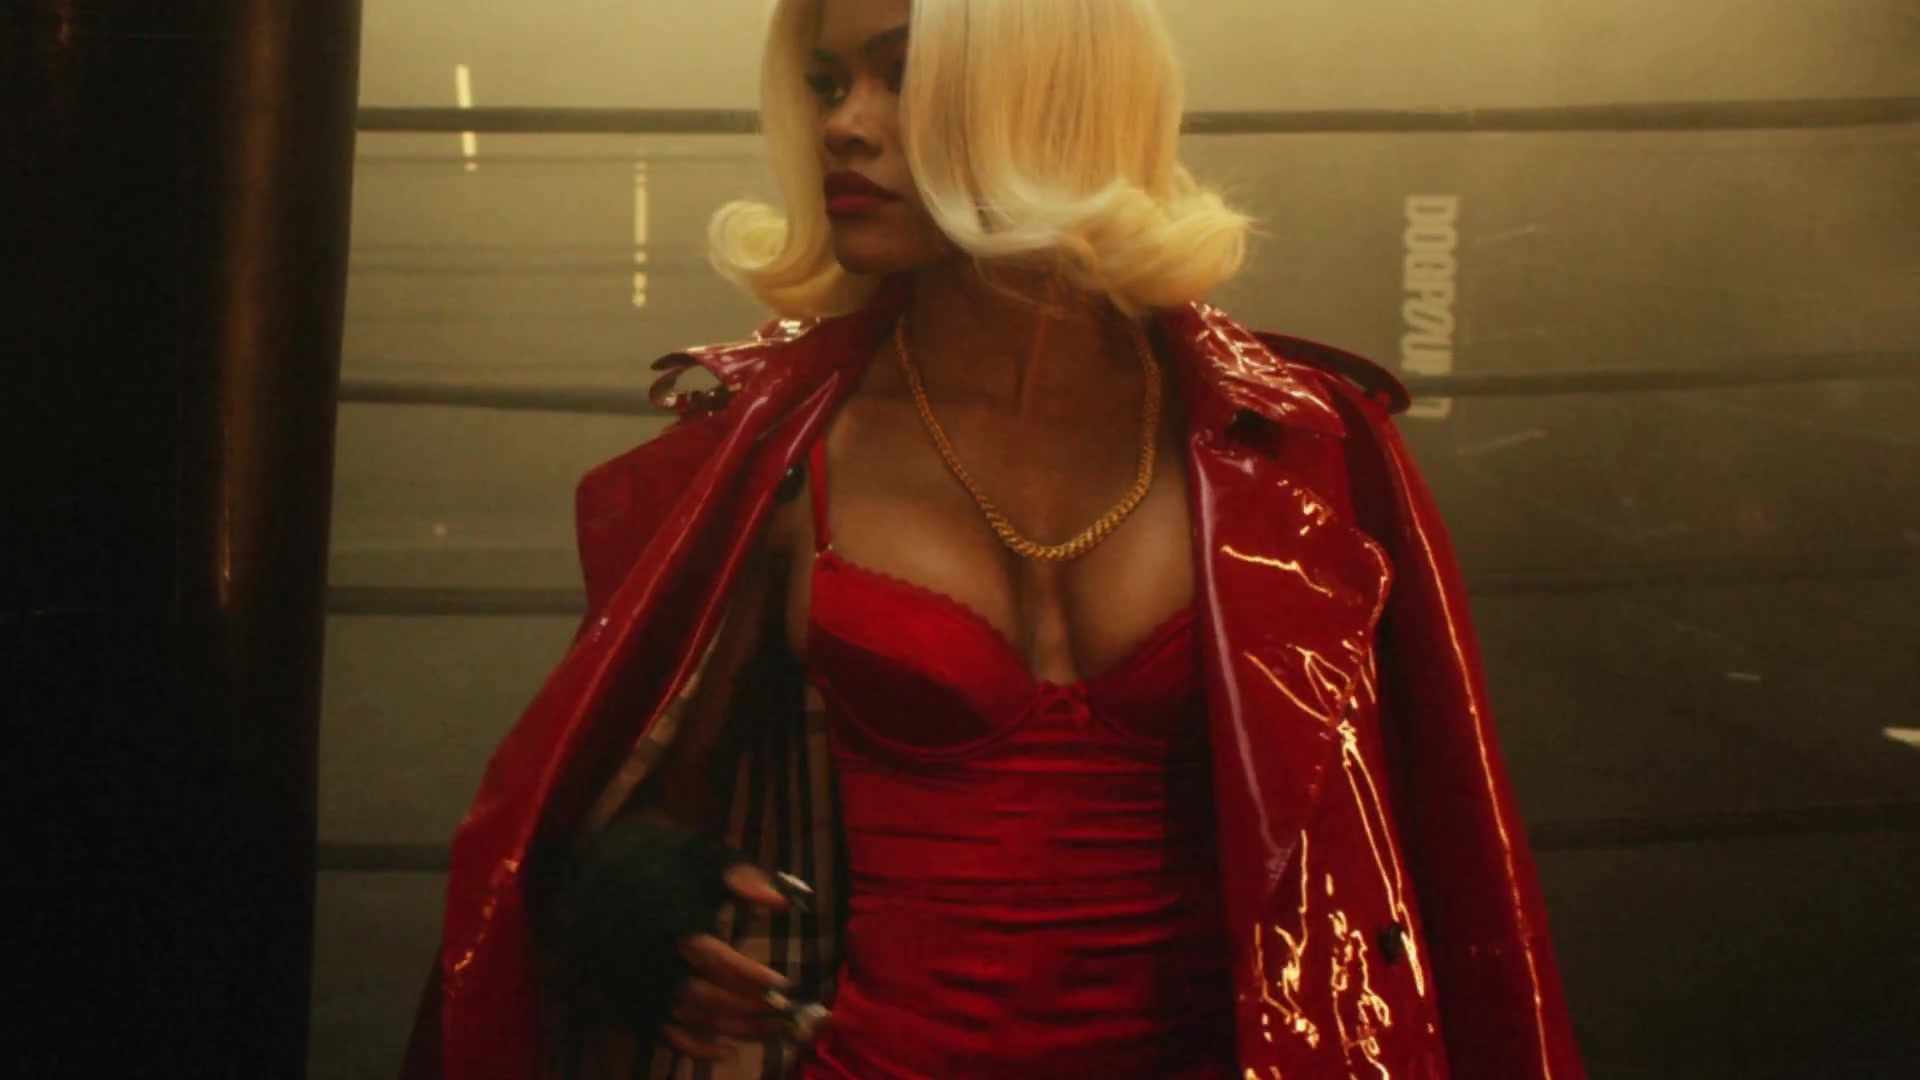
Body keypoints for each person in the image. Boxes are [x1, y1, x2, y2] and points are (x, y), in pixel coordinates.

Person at [404, 1, 1585, 1077]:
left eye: (904, 75)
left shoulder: (1297, 452)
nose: (845, 125)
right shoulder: (784, 454)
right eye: (827, 84)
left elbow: (1444, 861)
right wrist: (638, 906)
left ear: (1058, 95)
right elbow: (648, 797)